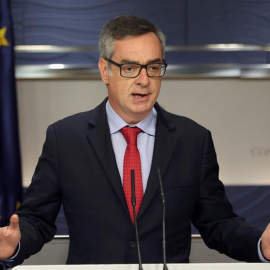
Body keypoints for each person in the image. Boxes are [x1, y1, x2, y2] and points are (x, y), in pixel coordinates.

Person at [0, 15, 270, 268]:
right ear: (105, 71)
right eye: (130, 67)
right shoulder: (66, 138)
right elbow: (37, 219)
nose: (144, 80)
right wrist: (14, 244)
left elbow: (218, 222)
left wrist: (260, 244)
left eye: (153, 67)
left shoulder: (193, 140)